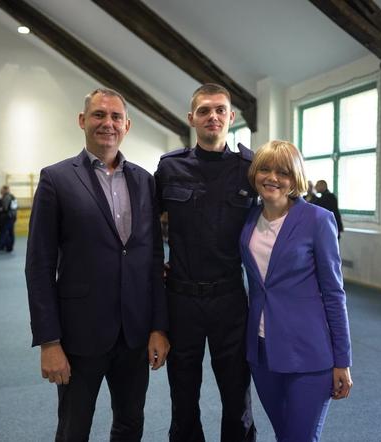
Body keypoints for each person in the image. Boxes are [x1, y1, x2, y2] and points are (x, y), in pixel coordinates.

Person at [25, 88, 169, 441]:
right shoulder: (56, 179)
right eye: (99, 115)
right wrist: (49, 341)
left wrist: (158, 327)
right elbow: (39, 265)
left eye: (116, 117)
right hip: (79, 335)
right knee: (74, 429)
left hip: (134, 334)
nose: (108, 123)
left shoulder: (144, 180)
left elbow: (152, 259)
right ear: (82, 120)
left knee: (130, 423)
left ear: (127, 125)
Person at [155, 83, 257, 442]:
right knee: (183, 396)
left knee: (236, 396)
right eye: (204, 111)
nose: (212, 116)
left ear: (231, 117)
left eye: (219, 110)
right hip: (181, 300)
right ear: (191, 119)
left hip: (230, 298)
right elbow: (144, 231)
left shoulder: (250, 168)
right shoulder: (170, 168)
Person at [240, 140, 353, 441]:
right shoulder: (249, 219)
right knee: (284, 434)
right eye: (264, 169)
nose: (272, 178)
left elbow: (334, 293)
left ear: (295, 178)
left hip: (309, 354)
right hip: (262, 352)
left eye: (282, 172)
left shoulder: (317, 219)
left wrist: (342, 359)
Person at [0, 185, 17, 253]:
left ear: (5, 190)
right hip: (12, 216)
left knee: (3, 232)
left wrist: (0, 208)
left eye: (1, 190)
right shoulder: (12, 196)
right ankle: (9, 247)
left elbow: (4, 208)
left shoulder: (6, 197)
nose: (0, 191)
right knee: (10, 233)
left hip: (7, 217)